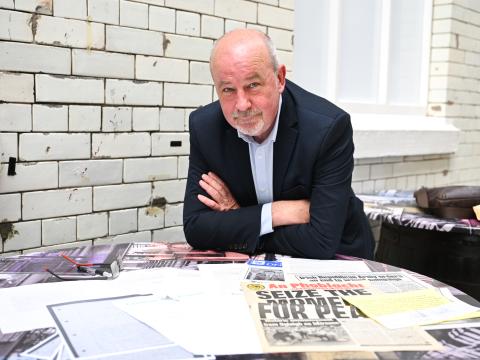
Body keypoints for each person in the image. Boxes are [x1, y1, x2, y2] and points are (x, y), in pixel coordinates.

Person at [183, 29, 374, 259]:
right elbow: (195, 227)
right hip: (254, 266)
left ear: (280, 79)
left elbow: (321, 240)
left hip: (339, 258)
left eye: (253, 85)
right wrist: (275, 213)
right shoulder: (205, 128)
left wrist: (239, 220)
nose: (242, 105)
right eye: (228, 90)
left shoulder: (327, 128)